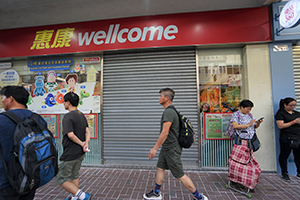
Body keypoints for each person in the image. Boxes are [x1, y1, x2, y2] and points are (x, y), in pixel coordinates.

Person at [143, 88, 208, 200]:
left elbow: (165, 132)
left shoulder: (169, 112)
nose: (159, 98)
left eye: (161, 96)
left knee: (179, 174)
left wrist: (154, 149)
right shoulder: (171, 110)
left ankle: (199, 197)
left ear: (167, 98)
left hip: (172, 149)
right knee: (160, 168)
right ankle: (156, 193)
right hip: (167, 147)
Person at [0, 86, 47, 200]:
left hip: (5, 180)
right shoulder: (38, 119)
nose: (2, 101)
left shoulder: (2, 120)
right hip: (30, 177)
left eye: (3, 98)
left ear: (11, 99)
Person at [55, 92, 92, 200]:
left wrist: (82, 143)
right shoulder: (81, 114)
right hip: (80, 152)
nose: (63, 103)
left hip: (70, 153)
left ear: (68, 103)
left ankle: (83, 196)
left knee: (60, 177)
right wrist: (86, 143)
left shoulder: (68, 117)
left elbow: (70, 135)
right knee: (74, 175)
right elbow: (87, 130)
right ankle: (75, 197)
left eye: (64, 102)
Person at [275, 97, 300, 182]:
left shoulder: (297, 113)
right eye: (290, 105)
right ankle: (284, 173)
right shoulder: (280, 113)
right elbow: (280, 126)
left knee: (298, 155)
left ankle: (299, 172)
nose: (292, 107)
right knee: (284, 155)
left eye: (294, 105)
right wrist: (294, 122)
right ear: (285, 105)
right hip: (286, 137)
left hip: (298, 137)